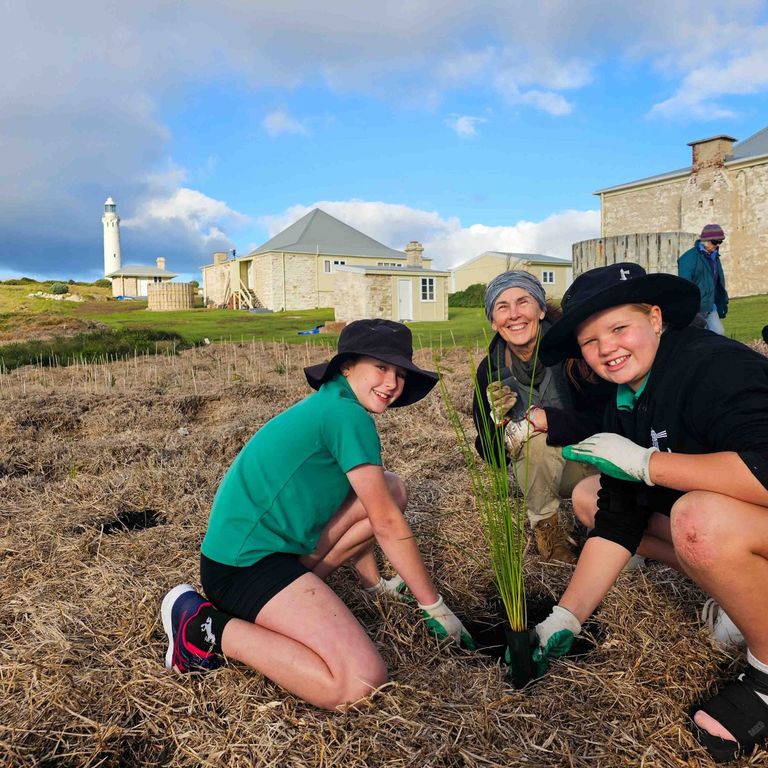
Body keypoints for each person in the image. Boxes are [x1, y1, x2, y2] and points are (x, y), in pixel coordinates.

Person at [161, 319, 474, 711]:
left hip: (272, 552)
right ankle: (206, 628)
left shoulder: (334, 403)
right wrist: (434, 607)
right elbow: (386, 523)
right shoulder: (346, 415)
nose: (392, 383)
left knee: (392, 489)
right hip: (243, 568)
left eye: (399, 373)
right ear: (346, 366)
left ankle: (370, 584)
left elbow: (373, 500)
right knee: (358, 681)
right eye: (381, 367)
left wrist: (377, 583)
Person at [532, 262, 768, 763]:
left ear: (656, 318)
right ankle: (747, 592)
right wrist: (565, 620)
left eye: (619, 328)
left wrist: (648, 463)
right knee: (596, 498)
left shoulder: (713, 366)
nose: (606, 349)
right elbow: (619, 518)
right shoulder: (625, 399)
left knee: (699, 522)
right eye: (590, 341)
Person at [472, 271, 613, 563]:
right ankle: (548, 531)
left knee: (625, 552)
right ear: (492, 321)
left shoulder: (576, 350)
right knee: (533, 442)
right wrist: (499, 423)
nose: (514, 315)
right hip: (547, 469)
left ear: (540, 309)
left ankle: (608, 522)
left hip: (600, 461)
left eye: (523, 302)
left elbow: (610, 419)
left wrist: (552, 421)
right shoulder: (491, 369)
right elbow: (494, 456)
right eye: (502, 307)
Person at [678, 223, 729, 334]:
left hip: (710, 305)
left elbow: (717, 281)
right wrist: (691, 307)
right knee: (698, 337)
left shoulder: (714, 255)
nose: (717, 245)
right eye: (715, 242)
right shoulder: (688, 258)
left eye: (720, 242)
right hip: (696, 307)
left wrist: (723, 300)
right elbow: (685, 285)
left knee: (718, 333)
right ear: (705, 240)